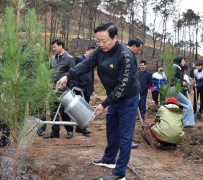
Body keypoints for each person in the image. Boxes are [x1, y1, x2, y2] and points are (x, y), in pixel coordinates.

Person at [56, 22, 140, 180]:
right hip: (113, 98)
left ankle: (120, 173)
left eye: (104, 41)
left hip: (127, 99)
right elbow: (86, 64)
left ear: (115, 38)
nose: (101, 44)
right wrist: (68, 76)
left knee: (125, 136)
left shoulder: (126, 55)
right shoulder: (100, 52)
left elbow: (123, 86)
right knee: (111, 130)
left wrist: (104, 104)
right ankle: (109, 159)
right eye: (98, 41)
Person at [43, 39, 75, 139]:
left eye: (54, 47)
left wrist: (69, 88)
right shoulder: (52, 59)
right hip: (53, 89)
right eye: (52, 47)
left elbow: (72, 74)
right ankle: (55, 132)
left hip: (63, 90)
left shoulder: (69, 58)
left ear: (60, 46)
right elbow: (49, 73)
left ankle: (69, 130)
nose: (53, 49)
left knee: (63, 111)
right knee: (53, 111)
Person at [73, 46, 96, 134]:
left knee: (86, 107)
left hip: (88, 87)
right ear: (86, 51)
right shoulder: (78, 59)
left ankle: (80, 127)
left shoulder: (92, 61)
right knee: (80, 107)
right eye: (90, 53)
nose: (91, 55)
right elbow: (74, 71)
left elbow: (92, 76)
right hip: (80, 87)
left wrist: (92, 89)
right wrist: (75, 85)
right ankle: (83, 127)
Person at [172, 55, 194, 127]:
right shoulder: (175, 67)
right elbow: (172, 78)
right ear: (179, 61)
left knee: (182, 105)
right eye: (183, 60)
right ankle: (185, 123)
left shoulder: (178, 68)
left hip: (175, 89)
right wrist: (181, 82)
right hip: (173, 89)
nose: (184, 62)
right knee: (187, 104)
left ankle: (184, 122)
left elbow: (176, 78)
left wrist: (183, 81)